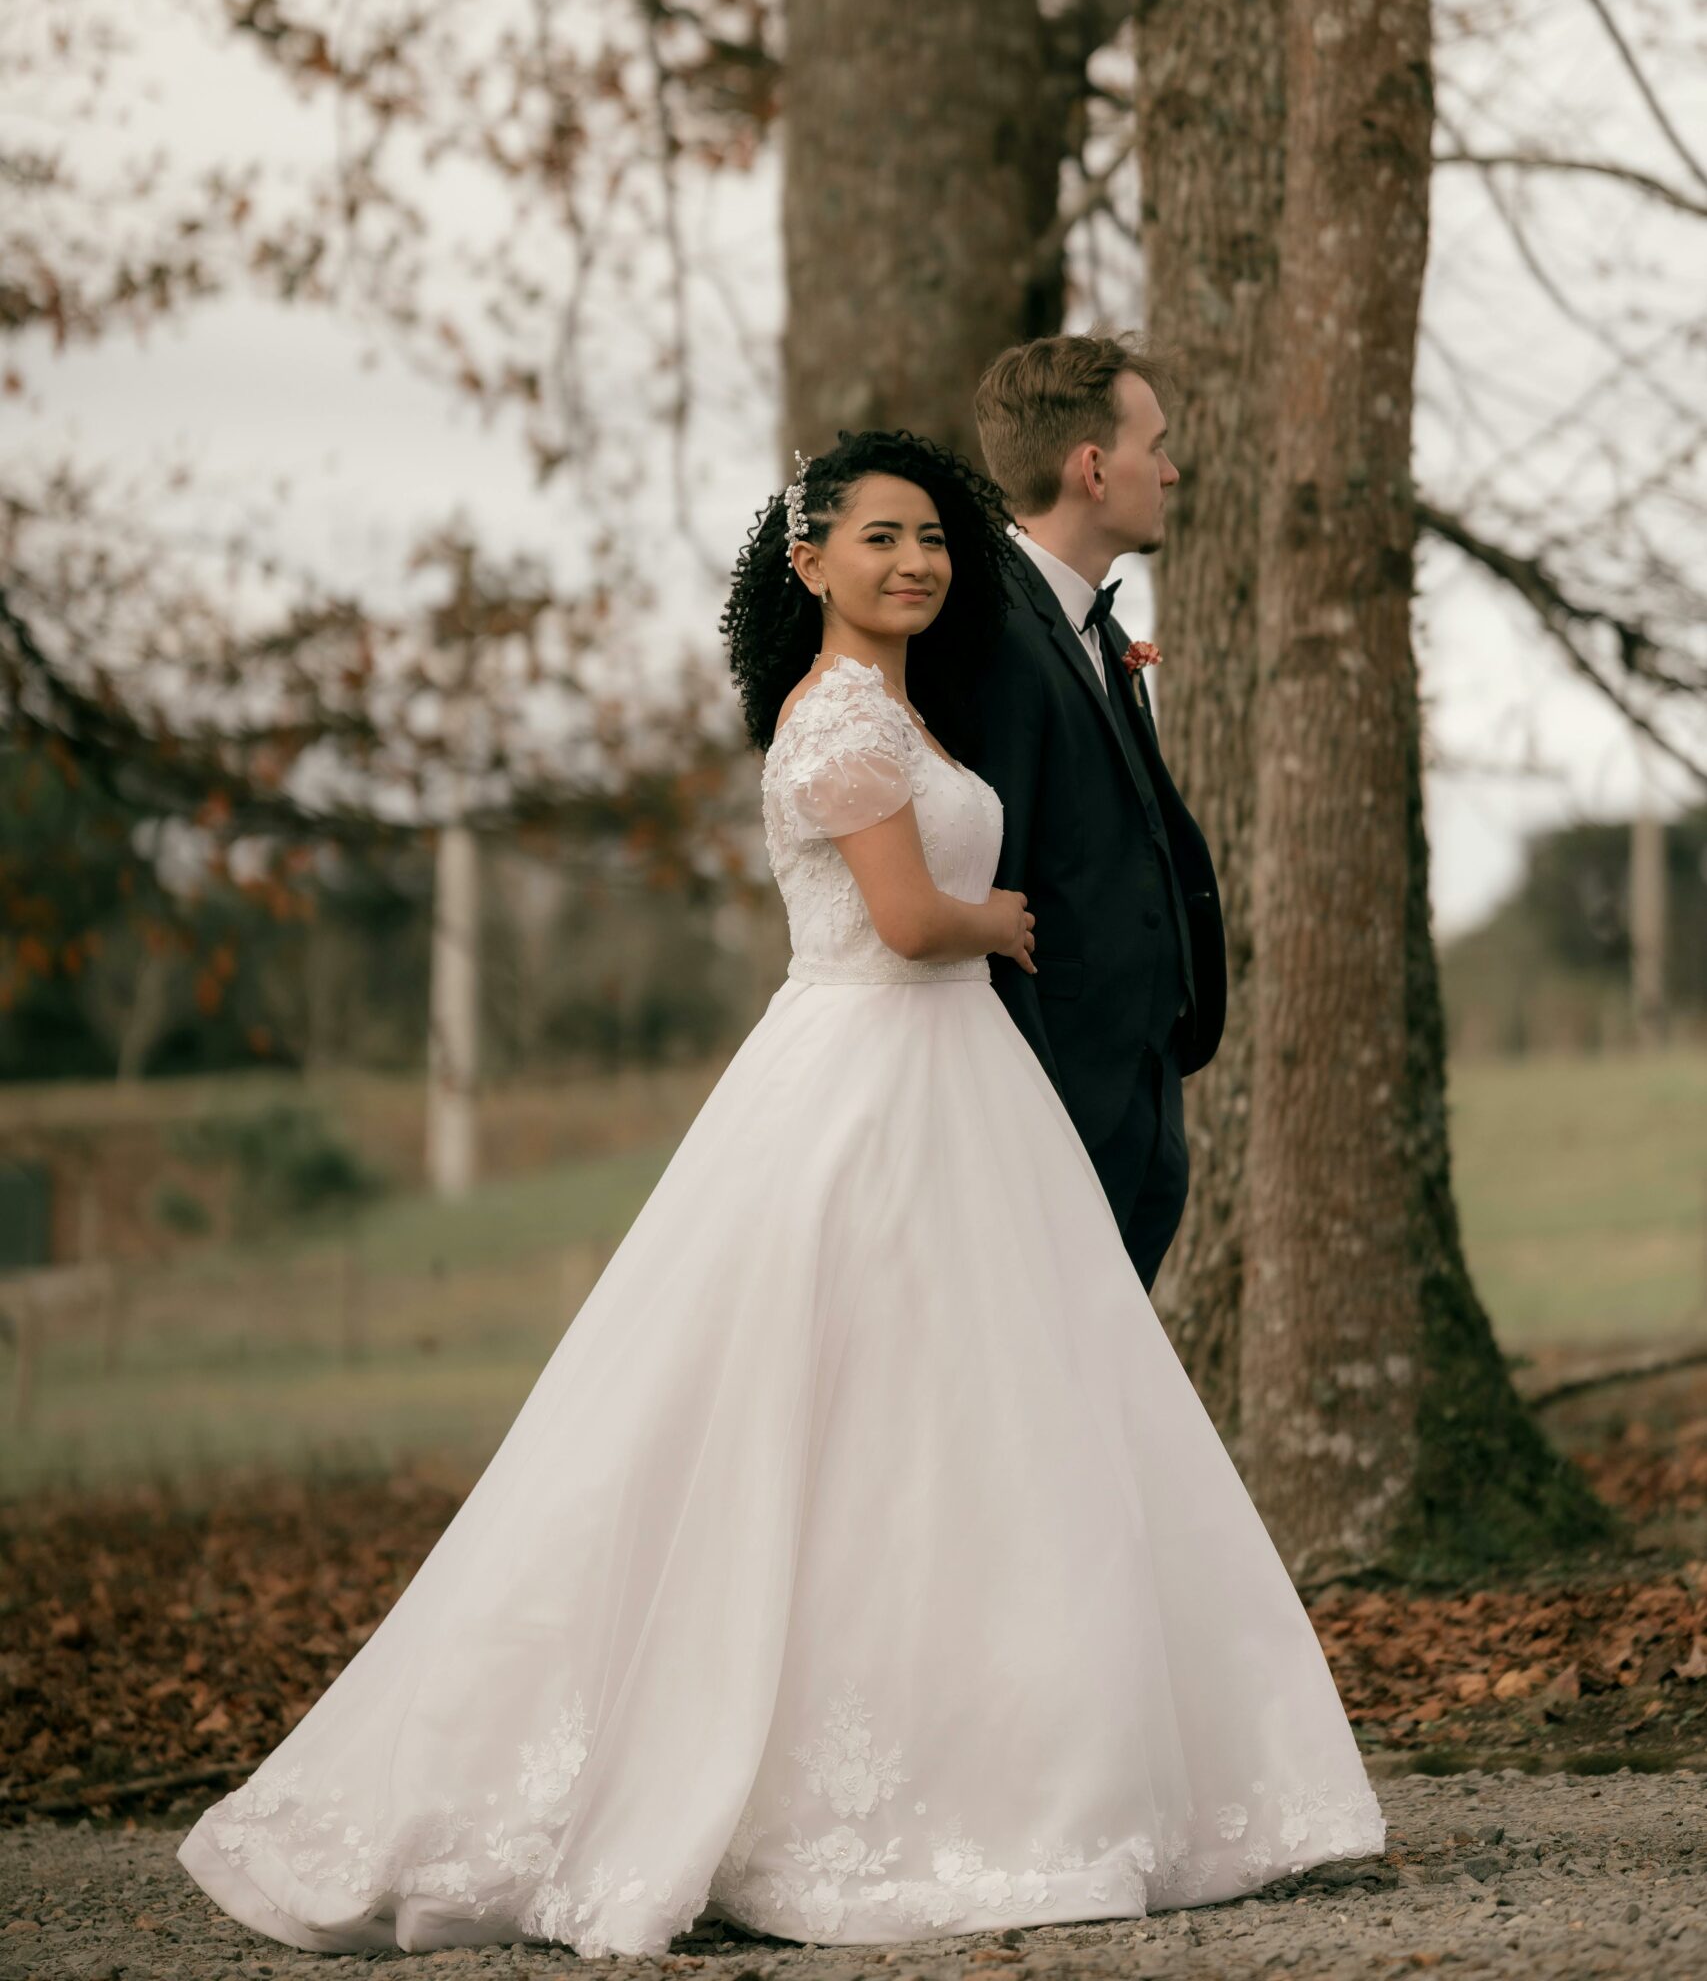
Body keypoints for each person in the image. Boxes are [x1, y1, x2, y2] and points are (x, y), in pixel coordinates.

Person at [176, 429, 1381, 1961]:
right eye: (880, 539)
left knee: (972, 1422)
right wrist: (992, 921)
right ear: (809, 561)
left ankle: (1019, 1753)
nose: (916, 563)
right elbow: (896, 918)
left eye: (933, 540)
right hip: (869, 1080)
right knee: (834, 1411)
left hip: (942, 1085)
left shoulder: (898, 713)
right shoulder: (838, 727)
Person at [968, 333, 1222, 1291]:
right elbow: (994, 882)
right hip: (1064, 1097)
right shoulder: (994, 636)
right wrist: (1039, 1115)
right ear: (1089, 467)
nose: (1168, 469)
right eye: (1151, 445)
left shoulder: (1099, 625)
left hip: (1142, 1082)